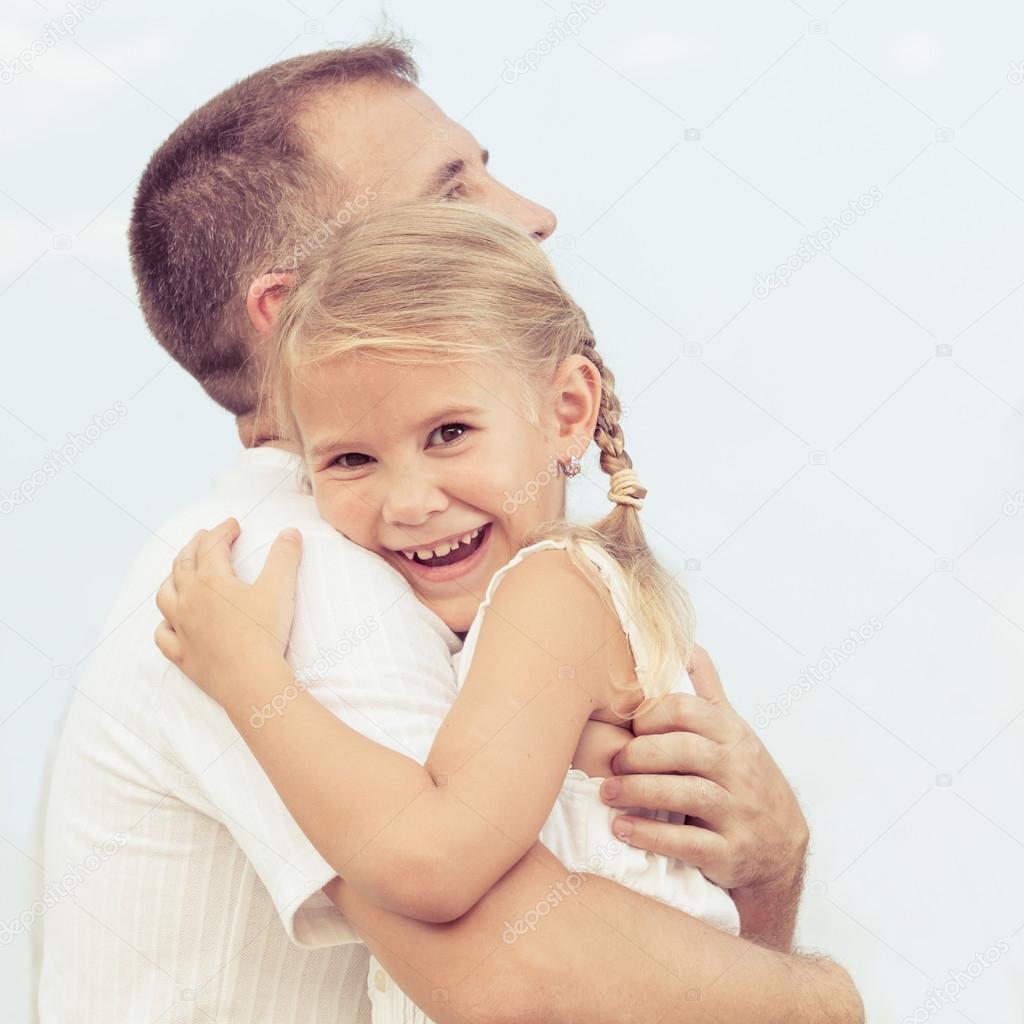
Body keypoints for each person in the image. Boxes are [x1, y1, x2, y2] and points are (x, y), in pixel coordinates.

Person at [39, 37, 859, 1023]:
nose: (532, 216)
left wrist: (765, 875)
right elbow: (522, 981)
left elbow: (644, 960)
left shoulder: (440, 561)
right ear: (294, 305)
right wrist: (827, 997)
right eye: (454, 194)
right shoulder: (281, 570)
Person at [153, 200, 747, 1020]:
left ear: (566, 412)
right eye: (352, 458)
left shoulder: (553, 595)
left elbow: (432, 865)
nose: (408, 501)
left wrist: (248, 676)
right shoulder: (559, 606)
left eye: (449, 433)